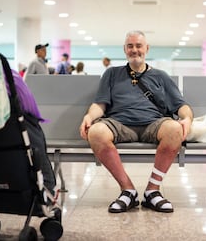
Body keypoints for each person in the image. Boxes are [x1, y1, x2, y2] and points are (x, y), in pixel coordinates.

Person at [79, 30, 193, 213]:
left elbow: (182, 105)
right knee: (96, 132)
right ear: (125, 50)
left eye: (138, 46)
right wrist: (89, 116)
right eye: (130, 46)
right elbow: (100, 104)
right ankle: (128, 190)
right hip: (119, 124)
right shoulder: (112, 74)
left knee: (174, 129)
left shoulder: (161, 76)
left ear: (146, 48)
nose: (134, 50)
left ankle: (152, 192)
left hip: (153, 124)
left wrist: (187, 118)